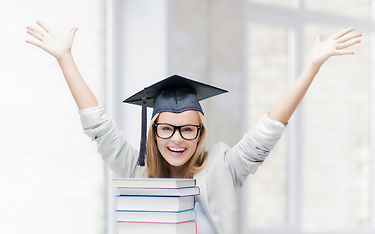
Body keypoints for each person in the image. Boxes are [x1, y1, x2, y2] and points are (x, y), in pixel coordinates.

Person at [26, 21, 361, 234]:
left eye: (188, 129)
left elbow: (269, 128)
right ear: (153, 134)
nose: (177, 138)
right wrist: (64, 58)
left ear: (200, 133)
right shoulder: (137, 169)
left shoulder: (223, 168)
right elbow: (98, 126)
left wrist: (312, 67)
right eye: (166, 129)